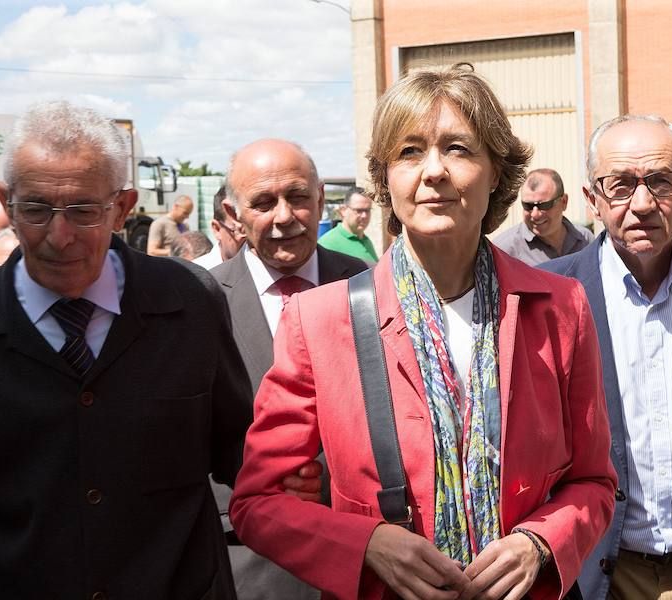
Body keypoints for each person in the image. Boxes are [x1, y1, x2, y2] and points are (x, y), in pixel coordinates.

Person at [229, 64, 617, 600]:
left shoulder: (560, 308)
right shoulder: (319, 319)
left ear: (497, 174)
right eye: (409, 151)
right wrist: (365, 544)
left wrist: (540, 542)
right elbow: (257, 503)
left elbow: (595, 483)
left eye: (458, 148)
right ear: (386, 177)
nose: (432, 170)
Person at [0, 100, 253, 598]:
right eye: (35, 210)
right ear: (6, 203)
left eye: (83, 211)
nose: (59, 236)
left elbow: (238, 448)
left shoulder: (190, 301)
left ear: (123, 208)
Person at [541, 115, 672, 600]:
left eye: (660, 181)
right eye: (619, 185)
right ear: (591, 198)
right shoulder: (549, 296)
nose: (641, 204)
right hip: (597, 571)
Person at [210, 138, 367, 600]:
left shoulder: (364, 284)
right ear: (233, 214)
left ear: (320, 199)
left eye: (297, 196)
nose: (284, 216)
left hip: (364, 552)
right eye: (263, 202)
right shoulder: (201, 302)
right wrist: (263, 477)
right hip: (251, 562)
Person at [493, 168, 594, 265]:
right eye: (528, 206)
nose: (535, 214)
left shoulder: (585, 240)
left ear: (564, 202)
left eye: (544, 205)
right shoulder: (504, 250)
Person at [318, 186, 379, 263]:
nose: (364, 216)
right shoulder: (327, 244)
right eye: (359, 210)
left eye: (367, 210)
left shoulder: (365, 240)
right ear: (343, 210)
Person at [194, 184, 246, 269]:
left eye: (252, 229)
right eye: (241, 230)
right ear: (217, 229)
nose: (251, 238)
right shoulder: (196, 276)